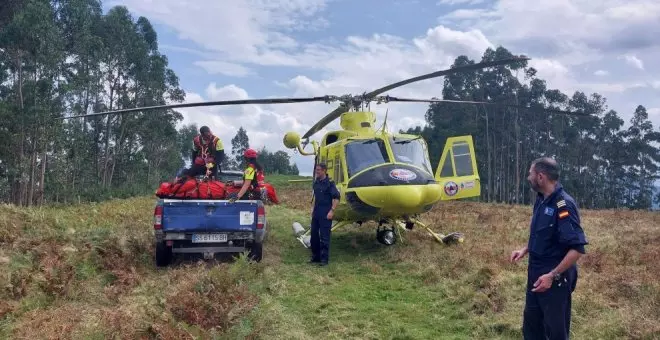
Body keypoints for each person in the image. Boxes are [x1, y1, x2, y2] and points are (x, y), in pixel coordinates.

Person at [510, 157, 588, 340]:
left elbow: (576, 249)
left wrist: (551, 276)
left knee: (555, 333)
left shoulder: (564, 205)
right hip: (535, 276)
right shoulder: (541, 200)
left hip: (554, 281)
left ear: (540, 177)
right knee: (532, 329)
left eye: (530, 173)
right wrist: (525, 249)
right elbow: (542, 234)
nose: (528, 177)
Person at [309, 163, 340, 266]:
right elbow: (315, 198)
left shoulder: (330, 183)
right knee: (313, 234)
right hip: (317, 212)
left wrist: (332, 211)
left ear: (324, 171)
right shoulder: (316, 182)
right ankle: (315, 257)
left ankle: (324, 260)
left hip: (326, 212)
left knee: (324, 236)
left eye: (318, 170)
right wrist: (313, 208)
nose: (316, 172)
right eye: (316, 170)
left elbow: (336, 198)